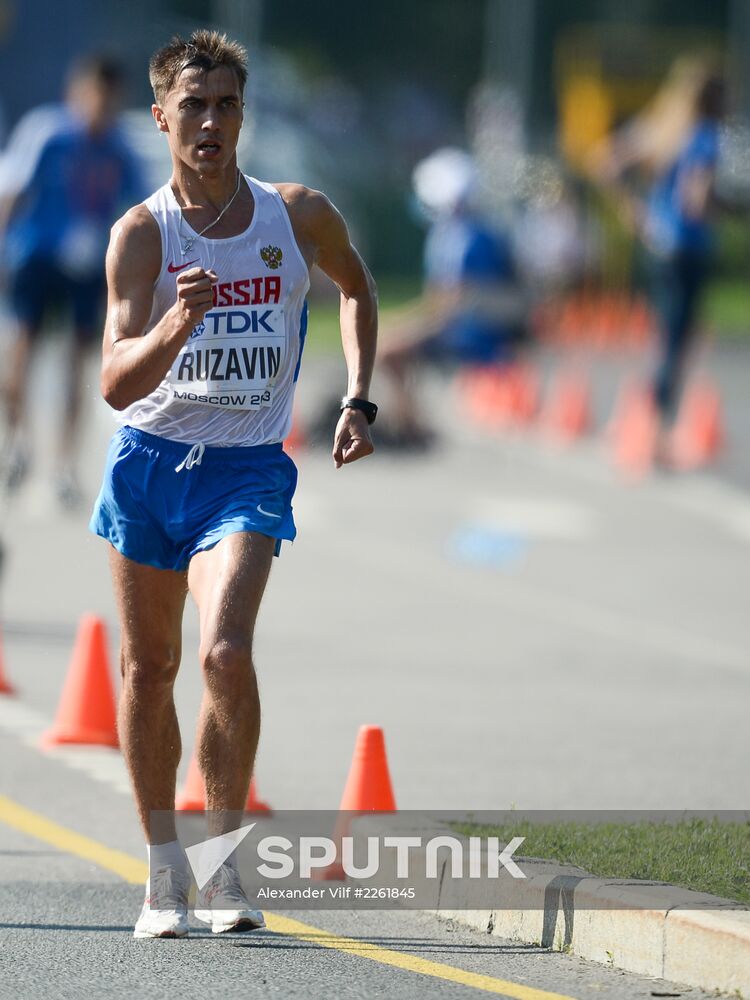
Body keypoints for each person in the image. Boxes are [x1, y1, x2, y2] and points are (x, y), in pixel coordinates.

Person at [88, 30, 377, 938]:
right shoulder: (143, 234)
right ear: (161, 116)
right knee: (149, 669)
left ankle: (221, 870)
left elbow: (358, 291)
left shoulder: (294, 216)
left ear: (243, 117)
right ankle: (162, 868)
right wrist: (176, 326)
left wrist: (359, 401)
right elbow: (114, 381)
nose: (210, 123)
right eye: (194, 106)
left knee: (224, 653)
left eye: (226, 106)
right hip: (148, 467)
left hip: (247, 469)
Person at [0, 55, 145, 507]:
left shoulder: (121, 148)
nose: (101, 108)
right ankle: (17, 442)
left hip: (88, 267)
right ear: (79, 91)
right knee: (22, 345)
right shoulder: (48, 132)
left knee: (80, 361)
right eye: (95, 95)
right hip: (37, 254)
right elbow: (12, 192)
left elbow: (140, 207)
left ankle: (63, 464)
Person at [593, 62, 726, 461]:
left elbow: (605, 162)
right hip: (688, 249)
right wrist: (731, 207)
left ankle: (647, 425)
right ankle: (657, 433)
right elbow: (696, 201)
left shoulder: (662, 129)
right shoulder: (704, 137)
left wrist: (636, 215)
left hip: (660, 245)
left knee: (665, 340)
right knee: (677, 344)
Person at [378, 148, 523, 443]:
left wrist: (409, 324)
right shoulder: (457, 234)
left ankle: (409, 422)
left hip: (474, 333)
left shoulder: (465, 238)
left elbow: (451, 304)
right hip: (463, 326)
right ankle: (408, 419)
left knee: (386, 349)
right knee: (388, 339)